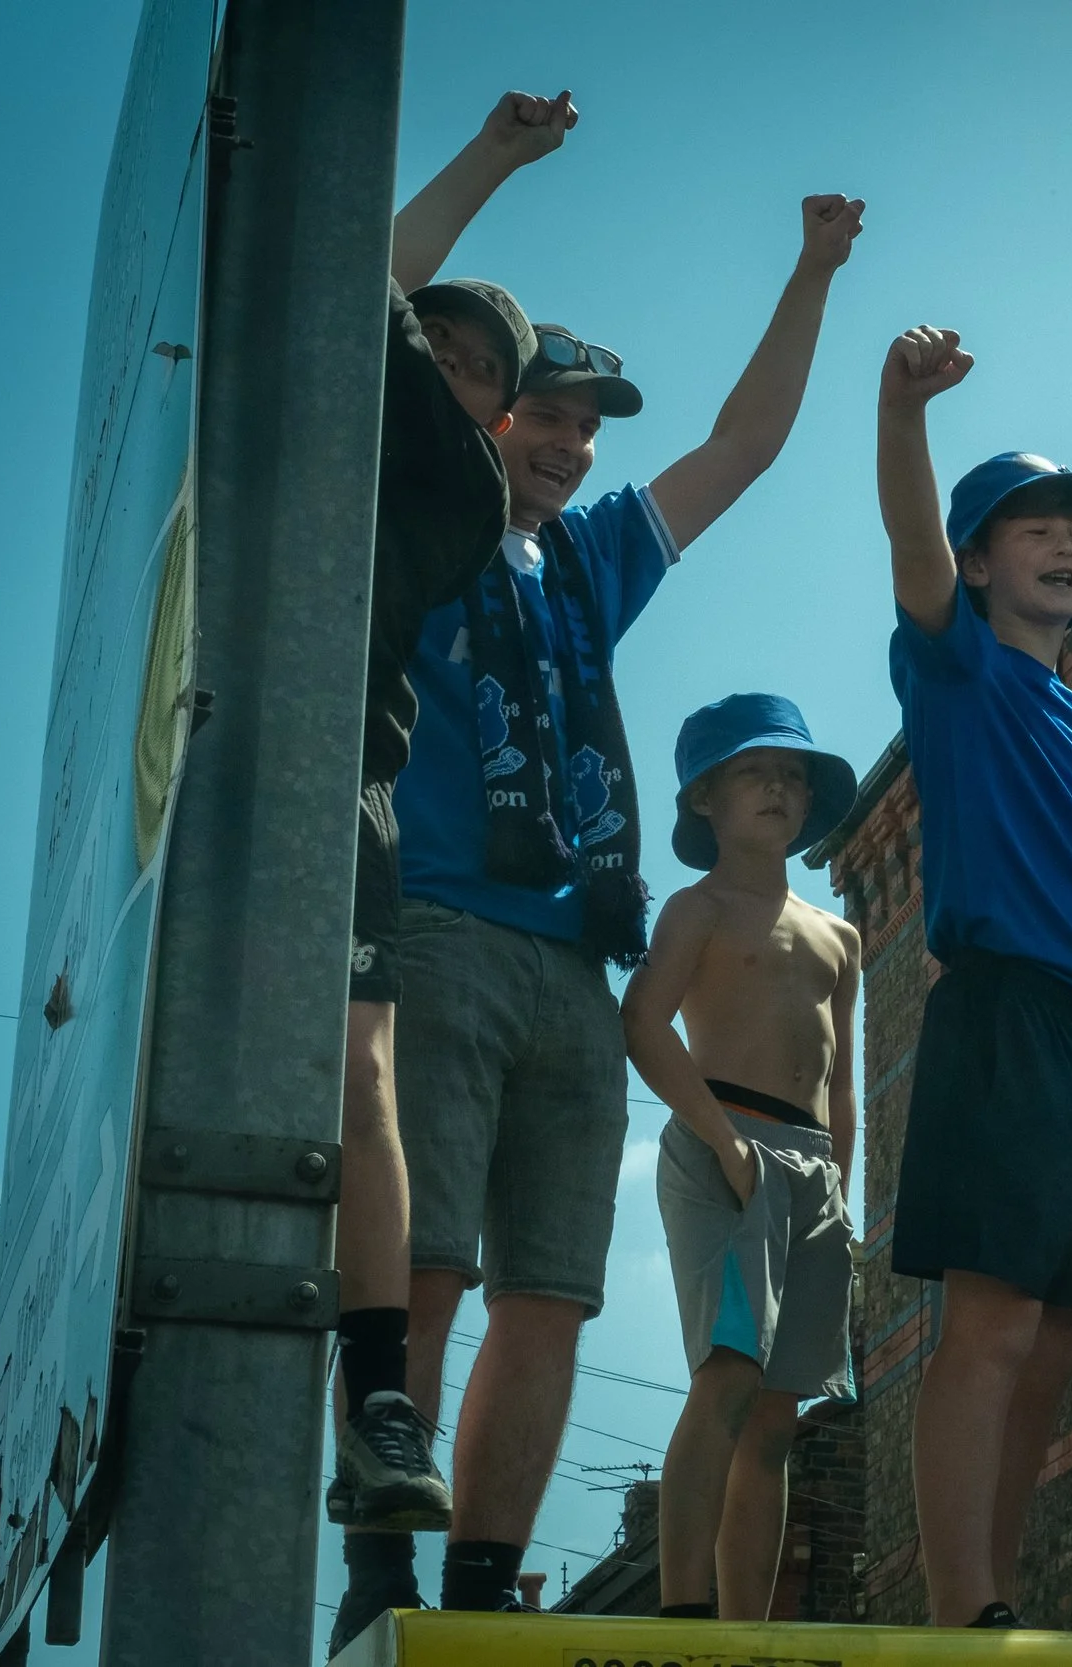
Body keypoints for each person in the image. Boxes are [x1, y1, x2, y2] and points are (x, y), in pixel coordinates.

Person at [355, 90, 864, 1626]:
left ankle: (483, 1583)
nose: (571, 440)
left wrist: (816, 272)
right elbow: (363, 291)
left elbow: (750, 442)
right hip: (436, 922)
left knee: (553, 1294)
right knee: (426, 1260)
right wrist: (498, 159)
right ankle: (380, 1577)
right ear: (484, 409)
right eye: (548, 410)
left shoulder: (592, 554)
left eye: (588, 422)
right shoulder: (414, 509)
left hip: (576, 953)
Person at [325, 91, 563, 1657]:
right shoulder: (309, 408)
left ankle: (381, 1409)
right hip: (208, 770)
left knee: (362, 1079)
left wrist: (486, 162)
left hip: (339, 788)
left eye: (487, 370)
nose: (453, 372)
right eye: (445, 347)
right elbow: (366, 294)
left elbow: (367, 274)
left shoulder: (454, 483)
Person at [875, 324, 1072, 1628]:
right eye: (1031, 525)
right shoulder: (955, 662)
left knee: (1066, 1327)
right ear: (980, 560)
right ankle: (957, 1605)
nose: (1065, 541)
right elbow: (913, 552)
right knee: (990, 1317)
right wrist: (904, 409)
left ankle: (1001, 1587)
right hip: (1001, 1011)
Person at [623, 693, 862, 1622]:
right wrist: (723, 1143)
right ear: (704, 800)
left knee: (778, 1417)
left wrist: (842, 1181)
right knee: (726, 1378)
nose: (778, 787)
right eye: (754, 771)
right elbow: (642, 1020)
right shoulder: (697, 908)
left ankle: (746, 1633)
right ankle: (684, 1615)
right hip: (722, 1141)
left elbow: (841, 1078)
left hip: (814, 1169)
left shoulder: (838, 934)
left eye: (794, 774)